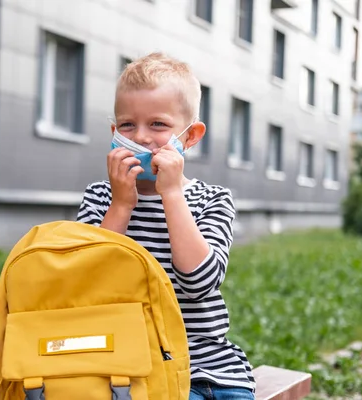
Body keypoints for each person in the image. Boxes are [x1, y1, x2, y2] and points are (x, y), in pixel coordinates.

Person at [76, 52, 256, 400]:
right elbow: (89, 284)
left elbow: (199, 282)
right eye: (127, 125)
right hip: (130, 368)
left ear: (190, 137)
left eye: (158, 125)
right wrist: (122, 204)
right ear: (114, 132)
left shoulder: (212, 199)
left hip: (209, 369)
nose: (141, 137)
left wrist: (172, 194)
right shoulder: (100, 197)